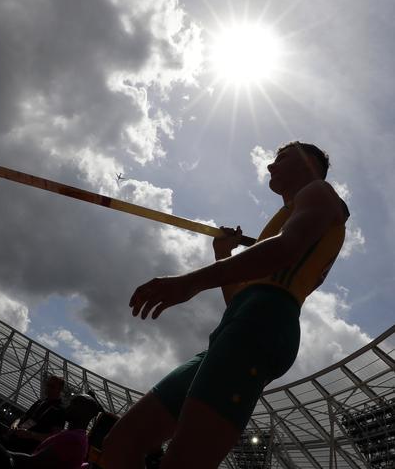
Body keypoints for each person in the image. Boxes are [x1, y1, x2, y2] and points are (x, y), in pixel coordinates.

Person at [102, 141, 349, 469]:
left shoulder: (321, 193)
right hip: (241, 322)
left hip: (265, 322)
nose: (270, 167)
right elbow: (239, 298)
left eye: (281, 158)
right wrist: (223, 254)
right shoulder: (285, 217)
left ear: (308, 163)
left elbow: (285, 249)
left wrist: (189, 281)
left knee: (182, 462)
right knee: (121, 442)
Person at [0, 394, 102, 469]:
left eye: (74, 404)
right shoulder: (74, 436)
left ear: (85, 412)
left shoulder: (74, 439)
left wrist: (3, 452)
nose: (69, 407)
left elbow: (34, 462)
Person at [6, 375, 66, 453]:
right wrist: (14, 425)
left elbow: (54, 437)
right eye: (47, 385)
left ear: (60, 389)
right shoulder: (40, 402)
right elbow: (23, 417)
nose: (48, 388)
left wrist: (31, 434)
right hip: (15, 440)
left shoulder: (60, 410)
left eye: (52, 386)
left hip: (28, 449)